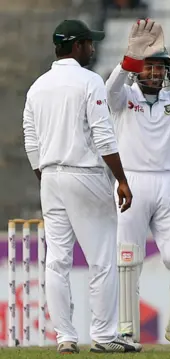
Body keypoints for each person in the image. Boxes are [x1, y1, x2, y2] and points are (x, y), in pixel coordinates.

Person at [22, 19, 138, 354]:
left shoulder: (37, 86)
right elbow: (103, 136)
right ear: (76, 46)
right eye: (89, 43)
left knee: (56, 261)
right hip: (84, 173)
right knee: (101, 259)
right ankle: (103, 336)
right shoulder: (89, 81)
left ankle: (65, 338)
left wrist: (46, 176)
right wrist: (122, 179)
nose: (93, 48)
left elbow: (31, 140)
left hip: (50, 176)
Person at [105, 19, 170, 351]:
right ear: (139, 68)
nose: (154, 73)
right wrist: (127, 60)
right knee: (127, 259)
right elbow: (109, 93)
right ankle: (126, 332)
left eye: (160, 67)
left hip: (168, 184)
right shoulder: (126, 96)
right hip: (130, 182)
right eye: (148, 66)